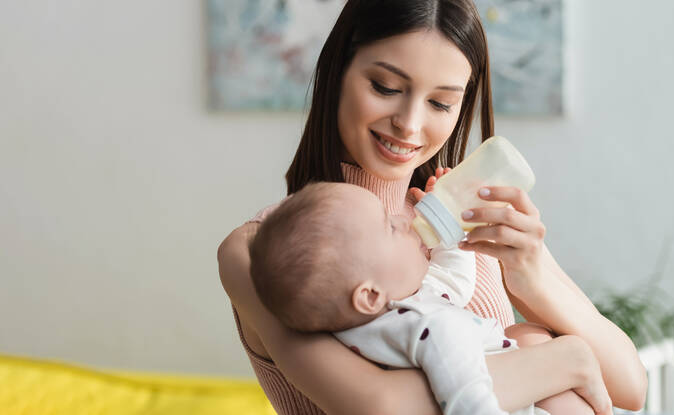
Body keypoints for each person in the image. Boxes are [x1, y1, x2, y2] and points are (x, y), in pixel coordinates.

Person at [216, 1, 648, 414]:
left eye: (441, 102)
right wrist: (562, 361)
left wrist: (529, 275)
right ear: (338, 71)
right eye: (385, 87)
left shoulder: (469, 214)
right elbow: (382, 407)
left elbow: (630, 386)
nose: (410, 123)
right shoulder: (264, 253)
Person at [248, 181, 608, 415]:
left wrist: (451, 228)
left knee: (526, 336)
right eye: (390, 227)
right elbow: (467, 397)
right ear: (369, 294)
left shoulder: (386, 317)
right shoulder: (432, 325)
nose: (403, 222)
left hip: (513, 388)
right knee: (537, 347)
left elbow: (453, 280)